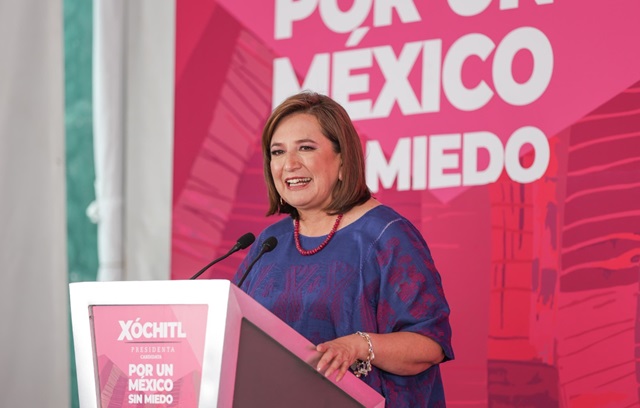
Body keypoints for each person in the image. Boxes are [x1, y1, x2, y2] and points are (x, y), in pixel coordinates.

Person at [232, 91, 454, 407]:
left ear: (342, 160)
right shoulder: (270, 242)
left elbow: (429, 345)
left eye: (305, 148)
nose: (289, 164)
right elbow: (235, 327)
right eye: (277, 152)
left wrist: (358, 346)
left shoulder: (386, 236)